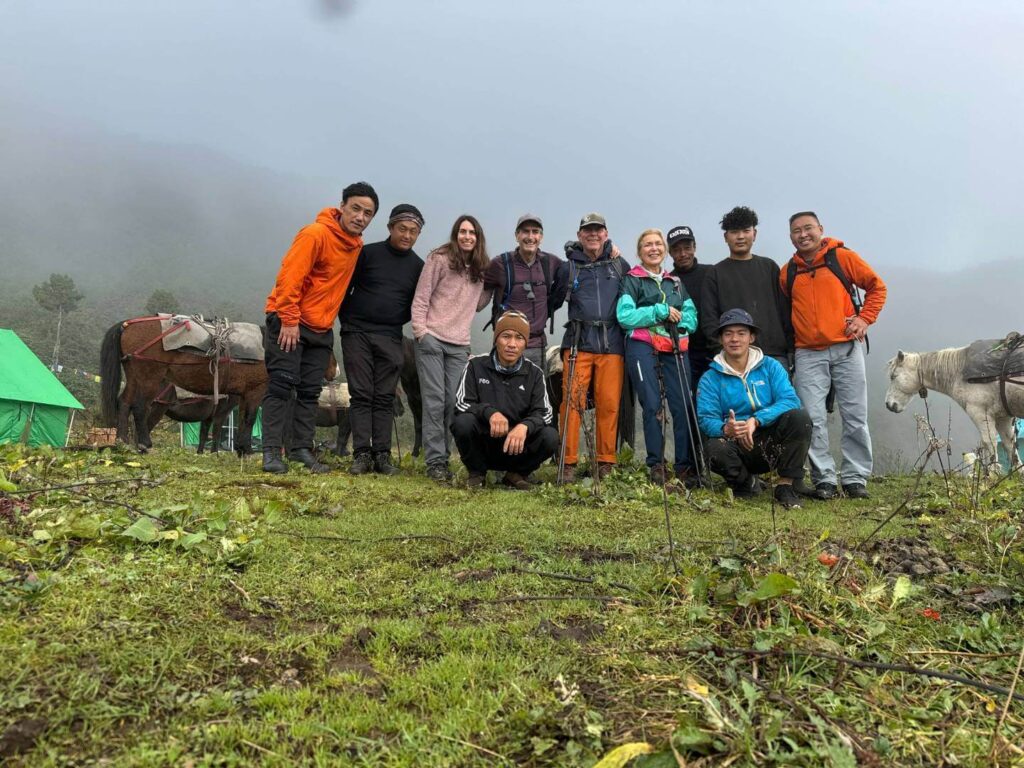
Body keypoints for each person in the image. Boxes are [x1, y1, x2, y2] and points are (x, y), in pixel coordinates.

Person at [261, 181, 378, 474]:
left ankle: (301, 449)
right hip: (291, 321)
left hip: (321, 328)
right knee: (280, 387)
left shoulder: (355, 245)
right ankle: (272, 452)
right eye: (355, 208)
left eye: (368, 213)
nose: (360, 217)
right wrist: (288, 319)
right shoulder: (315, 234)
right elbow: (290, 277)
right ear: (342, 207)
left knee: (310, 392)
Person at [780, 212, 887, 500]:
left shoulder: (842, 257)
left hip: (846, 348)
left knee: (855, 415)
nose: (803, 235)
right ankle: (824, 478)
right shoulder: (787, 271)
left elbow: (877, 287)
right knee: (812, 418)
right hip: (807, 353)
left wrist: (864, 319)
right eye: (796, 231)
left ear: (820, 229)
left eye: (808, 228)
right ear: (790, 236)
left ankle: (855, 478)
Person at [338, 203, 426, 476]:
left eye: (414, 231)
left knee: (384, 396)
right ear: (390, 227)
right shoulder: (367, 253)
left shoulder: (418, 266)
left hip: (391, 336)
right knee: (361, 393)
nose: (407, 235)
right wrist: (348, 322)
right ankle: (362, 454)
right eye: (402, 229)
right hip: (357, 333)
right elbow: (344, 287)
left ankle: (383, 456)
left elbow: (419, 303)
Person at [696, 309, 812, 509]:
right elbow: (706, 418)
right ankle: (744, 483)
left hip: (771, 439)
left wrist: (756, 420)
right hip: (736, 442)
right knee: (714, 448)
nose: (735, 339)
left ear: (752, 337)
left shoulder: (771, 366)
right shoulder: (710, 378)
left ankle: (785, 486)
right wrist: (726, 429)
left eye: (741, 333)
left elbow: (790, 400)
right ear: (721, 339)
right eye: (728, 334)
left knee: (800, 418)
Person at [550, 213, 631, 483]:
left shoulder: (620, 264)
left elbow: (631, 300)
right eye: (587, 231)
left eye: (598, 230)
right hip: (578, 341)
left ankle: (605, 462)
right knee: (571, 404)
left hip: (612, 342)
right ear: (579, 235)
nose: (593, 234)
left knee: (609, 405)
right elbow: (552, 301)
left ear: (606, 233)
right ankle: (568, 463)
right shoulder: (568, 267)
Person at [616, 229, 698, 486]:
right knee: (652, 405)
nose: (653, 248)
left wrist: (678, 320)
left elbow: (692, 318)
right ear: (640, 252)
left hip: (675, 345)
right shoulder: (631, 280)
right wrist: (659, 311)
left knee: (683, 405)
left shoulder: (675, 282)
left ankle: (684, 465)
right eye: (647, 245)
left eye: (658, 244)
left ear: (664, 250)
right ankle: (656, 464)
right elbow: (625, 316)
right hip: (642, 346)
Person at [411, 214, 488, 482]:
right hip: (432, 338)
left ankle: (445, 457)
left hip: (459, 345)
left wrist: (493, 288)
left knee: (453, 404)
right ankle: (435, 462)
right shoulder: (440, 258)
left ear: (478, 238)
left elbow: (477, 304)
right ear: (456, 234)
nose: (467, 236)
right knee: (434, 402)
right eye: (462, 231)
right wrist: (421, 333)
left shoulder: (480, 269)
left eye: (472, 233)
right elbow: (421, 297)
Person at [452, 310, 558, 489]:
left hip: (517, 446)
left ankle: (516, 475)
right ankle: (477, 474)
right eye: (506, 336)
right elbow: (462, 403)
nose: (512, 344)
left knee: (550, 436)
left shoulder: (535, 373)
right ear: (496, 339)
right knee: (462, 422)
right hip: (484, 444)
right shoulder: (475, 365)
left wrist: (525, 426)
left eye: (519, 338)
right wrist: (490, 413)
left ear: (525, 343)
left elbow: (545, 413)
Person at [700, 206, 794, 368]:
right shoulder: (715, 273)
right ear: (725, 237)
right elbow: (709, 319)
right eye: (734, 232)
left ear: (754, 234)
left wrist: (792, 348)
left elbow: (785, 312)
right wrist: (721, 350)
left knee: (781, 394)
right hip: (735, 356)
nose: (741, 237)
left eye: (746, 231)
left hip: (775, 355)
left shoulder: (770, 267)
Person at [478, 214, 561, 370]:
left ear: (541, 237)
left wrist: (609, 248)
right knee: (501, 393)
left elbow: (573, 272)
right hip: (507, 345)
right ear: (517, 235)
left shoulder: (550, 262)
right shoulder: (500, 264)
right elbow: (477, 286)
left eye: (535, 232)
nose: (530, 237)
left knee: (534, 393)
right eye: (525, 231)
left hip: (537, 345)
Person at [667, 225, 712, 391]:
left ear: (695, 247)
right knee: (689, 403)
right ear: (670, 252)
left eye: (687, 248)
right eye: (677, 250)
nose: (683, 254)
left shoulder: (712, 273)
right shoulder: (667, 281)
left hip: (714, 351)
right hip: (684, 352)